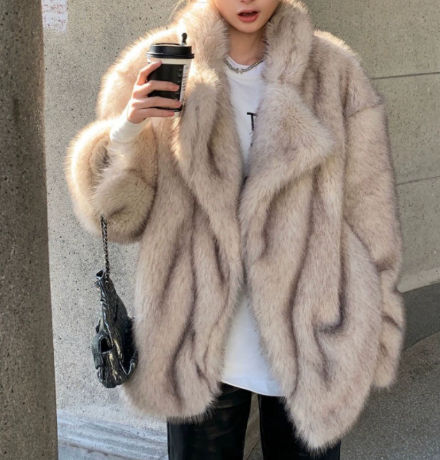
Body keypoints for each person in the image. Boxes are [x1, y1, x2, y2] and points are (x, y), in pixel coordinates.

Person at [65, 0, 405, 459]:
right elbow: (120, 218)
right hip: (194, 343)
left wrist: (379, 329)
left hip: (316, 341)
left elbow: (371, 216)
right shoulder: (156, 66)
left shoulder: (335, 73)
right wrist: (128, 127)